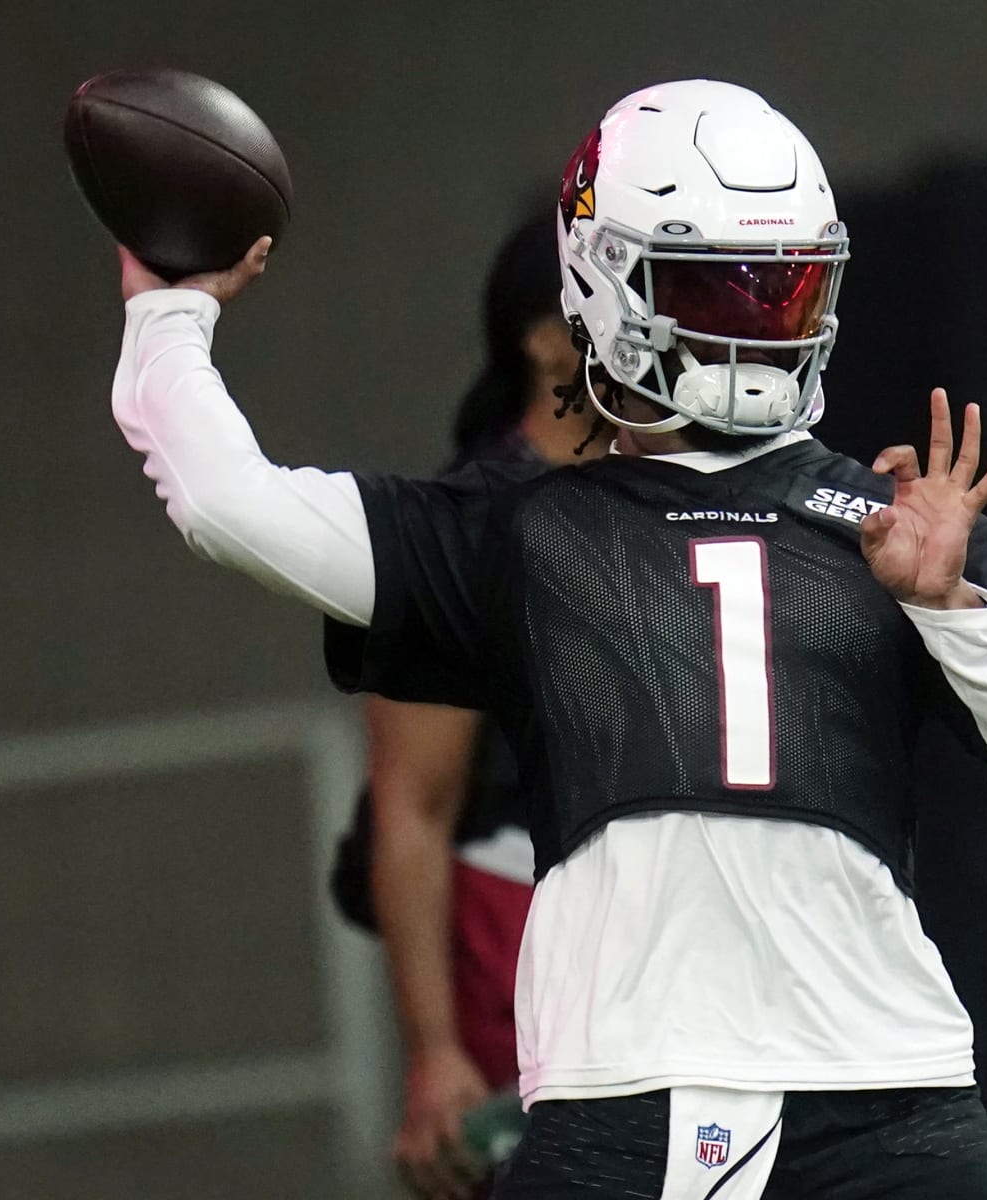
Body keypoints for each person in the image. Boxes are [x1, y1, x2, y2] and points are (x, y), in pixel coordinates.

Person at [107, 80, 987, 1198]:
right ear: (599, 281)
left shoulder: (899, 529)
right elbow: (230, 505)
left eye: (777, 287)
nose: (746, 325)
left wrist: (954, 609)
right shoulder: (529, 530)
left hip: (880, 1090)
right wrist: (170, 308)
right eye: (709, 287)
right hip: (630, 1102)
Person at [343, 216, 600, 1200]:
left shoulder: (670, 502)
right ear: (544, 338)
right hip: (523, 935)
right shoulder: (470, 529)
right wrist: (435, 1053)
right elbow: (411, 807)